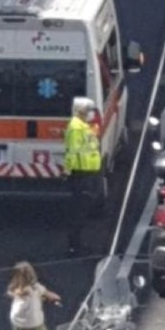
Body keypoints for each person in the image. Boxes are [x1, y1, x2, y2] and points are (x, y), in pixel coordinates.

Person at [63, 96, 103, 257]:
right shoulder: (75, 128)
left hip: (89, 171)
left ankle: (77, 243)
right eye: (89, 111)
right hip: (81, 174)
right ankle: (74, 246)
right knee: (78, 211)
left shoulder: (83, 126)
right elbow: (72, 152)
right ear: (81, 112)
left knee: (84, 210)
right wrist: (68, 170)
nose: (92, 113)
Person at [8, 261, 61, 330]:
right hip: (35, 324)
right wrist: (56, 298)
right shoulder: (36, 288)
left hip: (17, 323)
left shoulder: (14, 289)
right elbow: (50, 295)